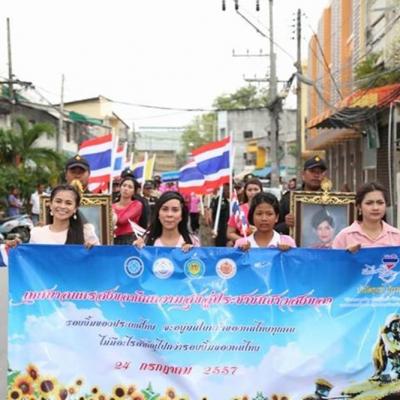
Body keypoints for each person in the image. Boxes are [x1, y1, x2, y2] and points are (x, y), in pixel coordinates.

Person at [332, 182, 400, 249]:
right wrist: (345, 254)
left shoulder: (396, 236)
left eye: (380, 203)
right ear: (359, 207)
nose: (375, 208)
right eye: (369, 203)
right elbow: (333, 256)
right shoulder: (345, 236)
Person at [29, 184, 99, 246]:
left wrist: (92, 250)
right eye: (58, 201)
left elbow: (99, 255)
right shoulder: (37, 234)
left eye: (68, 203)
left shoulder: (86, 233)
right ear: (50, 204)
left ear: (75, 208)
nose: (62, 206)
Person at [276, 156, 327, 235]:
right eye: (312, 171)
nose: (316, 175)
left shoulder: (333, 199)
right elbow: (274, 227)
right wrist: (286, 224)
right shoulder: (289, 198)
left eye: (320, 172)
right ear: (303, 174)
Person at [134, 191, 199, 250]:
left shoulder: (193, 242)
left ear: (182, 215)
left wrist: (191, 255)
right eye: (165, 209)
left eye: (175, 210)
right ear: (158, 214)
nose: (169, 214)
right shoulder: (145, 241)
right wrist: (137, 251)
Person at [227, 178, 263, 244]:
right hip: (244, 246)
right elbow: (230, 233)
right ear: (245, 192)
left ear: (261, 191)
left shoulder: (267, 208)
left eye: (256, 189)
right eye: (249, 190)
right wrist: (245, 240)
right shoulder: (239, 210)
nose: (253, 192)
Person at [112, 177, 144, 245]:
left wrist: (112, 214)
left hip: (129, 240)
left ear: (134, 191)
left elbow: (122, 220)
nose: (126, 188)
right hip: (113, 239)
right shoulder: (112, 206)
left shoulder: (137, 204)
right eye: (124, 185)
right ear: (120, 188)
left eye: (130, 187)